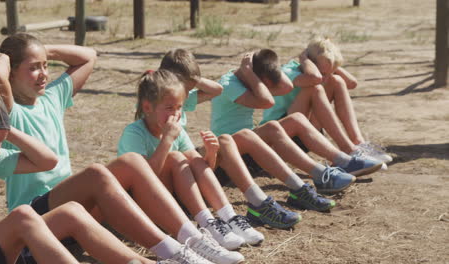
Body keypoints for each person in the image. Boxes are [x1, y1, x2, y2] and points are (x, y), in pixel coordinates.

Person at [0, 33, 237, 264]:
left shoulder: (52, 96)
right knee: (96, 172)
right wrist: (7, 55)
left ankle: (190, 241)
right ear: (12, 74)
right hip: (39, 208)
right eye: (32, 68)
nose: (43, 74)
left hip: (72, 204)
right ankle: (175, 252)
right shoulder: (7, 111)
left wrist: (41, 51)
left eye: (45, 66)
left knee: (131, 162)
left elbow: (88, 57)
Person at [159, 49, 335, 227]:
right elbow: (259, 99)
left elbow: (215, 90)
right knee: (231, 139)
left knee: (245, 134)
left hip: (195, 167)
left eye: (187, 91)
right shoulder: (156, 103)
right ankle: (260, 204)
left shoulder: (178, 100)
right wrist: (248, 73)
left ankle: (293, 191)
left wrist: (192, 79)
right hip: (177, 180)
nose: (182, 100)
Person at [0, 93, 157, 264]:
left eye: (0, 142)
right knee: (22, 216)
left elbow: (47, 161)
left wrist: (3, 127)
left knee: (70, 211)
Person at [118, 68, 259, 258]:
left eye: (179, 107)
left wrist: (211, 153)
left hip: (174, 201)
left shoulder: (177, 130)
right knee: (176, 157)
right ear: (147, 107)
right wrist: (167, 140)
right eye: (169, 108)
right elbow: (143, 179)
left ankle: (226, 219)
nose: (175, 114)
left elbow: (202, 169)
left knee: (193, 159)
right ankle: (205, 226)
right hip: (144, 206)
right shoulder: (134, 133)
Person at [210, 49, 383, 194]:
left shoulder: (248, 78)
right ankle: (322, 175)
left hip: (250, 144)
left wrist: (252, 72)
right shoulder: (229, 84)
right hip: (232, 151)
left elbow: (287, 87)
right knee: (271, 127)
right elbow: (267, 101)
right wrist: (250, 74)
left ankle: (344, 161)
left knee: (297, 119)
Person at [286, 36, 392, 164]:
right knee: (314, 88)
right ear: (309, 62)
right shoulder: (290, 72)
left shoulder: (321, 74)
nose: (325, 78)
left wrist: (332, 66)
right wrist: (304, 59)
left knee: (337, 81)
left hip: (310, 131)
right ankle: (348, 150)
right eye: (323, 73)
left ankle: (357, 142)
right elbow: (315, 78)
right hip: (288, 134)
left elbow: (352, 83)